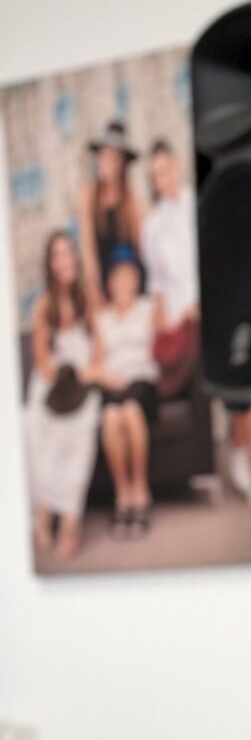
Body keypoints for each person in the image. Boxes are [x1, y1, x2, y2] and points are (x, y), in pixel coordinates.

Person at [22, 229, 103, 561]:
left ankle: (70, 524)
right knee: (36, 427)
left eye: (69, 252)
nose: (65, 260)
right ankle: (43, 515)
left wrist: (85, 375)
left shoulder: (88, 300)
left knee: (82, 437)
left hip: (82, 388)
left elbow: (99, 353)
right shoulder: (42, 306)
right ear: (50, 264)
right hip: (52, 389)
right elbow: (43, 364)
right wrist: (70, 375)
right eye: (57, 255)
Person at [94, 248, 160, 537]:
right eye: (117, 276)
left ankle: (140, 489)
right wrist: (106, 378)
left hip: (142, 380)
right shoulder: (101, 318)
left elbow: (163, 347)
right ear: (109, 282)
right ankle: (122, 494)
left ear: (137, 280)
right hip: (113, 382)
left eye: (128, 276)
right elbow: (98, 361)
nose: (123, 282)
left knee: (131, 411)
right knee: (111, 416)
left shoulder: (149, 308)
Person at [141, 138, 200, 400]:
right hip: (179, 325)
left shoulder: (197, 203)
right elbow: (157, 284)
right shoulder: (152, 225)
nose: (160, 180)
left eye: (163, 171)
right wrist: (162, 329)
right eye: (154, 176)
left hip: (206, 313)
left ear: (176, 166)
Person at [76, 117, 143, 306]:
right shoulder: (88, 195)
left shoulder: (132, 202)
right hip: (100, 287)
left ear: (122, 162)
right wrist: (95, 290)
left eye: (112, 156)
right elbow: (88, 250)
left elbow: (139, 251)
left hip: (128, 285)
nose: (106, 161)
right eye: (103, 155)